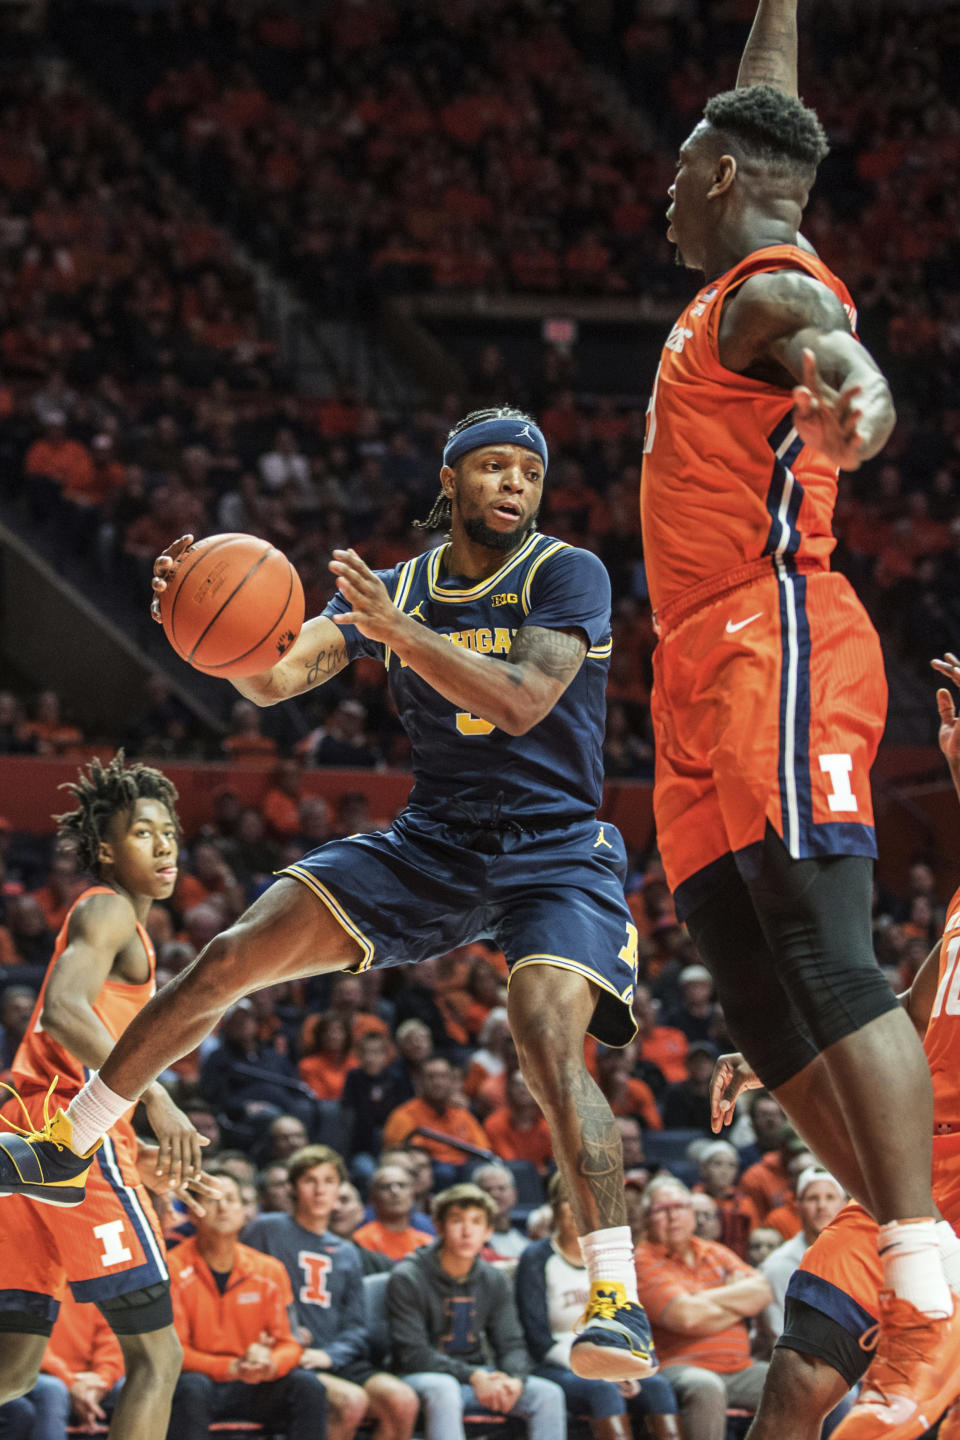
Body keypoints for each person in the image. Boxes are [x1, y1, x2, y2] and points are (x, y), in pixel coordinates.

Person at [4, 405, 657, 1381]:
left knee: (542, 1037)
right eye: (491, 466)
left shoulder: (569, 574)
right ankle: (71, 1139)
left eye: (528, 469)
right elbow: (272, 681)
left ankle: (617, 1302)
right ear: (452, 482)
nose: (513, 483)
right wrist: (199, 621)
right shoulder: (397, 586)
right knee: (228, 958)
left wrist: (400, 633)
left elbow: (523, 699)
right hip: (432, 844)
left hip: (553, 851)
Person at [640, 0, 960, 1429]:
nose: (657, 190)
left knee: (831, 963)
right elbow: (764, 107)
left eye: (674, 170)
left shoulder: (769, 284)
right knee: (754, 996)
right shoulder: (744, 224)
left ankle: (930, 1270)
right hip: (692, 672)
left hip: (775, 630)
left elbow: (837, 352)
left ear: (712, 178)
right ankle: (904, 1253)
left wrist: (857, 408)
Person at [707, 658, 960, 1440]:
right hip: (907, 1169)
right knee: (797, 1372)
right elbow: (913, 1009)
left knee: (895, 1419)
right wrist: (790, 1055)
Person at [0, 755, 213, 1438]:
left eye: (170, 833)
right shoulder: (109, 907)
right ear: (104, 849)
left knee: (12, 1370)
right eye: (144, 832)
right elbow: (63, 1011)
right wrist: (157, 1099)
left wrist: (138, 1144)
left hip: (29, 1130)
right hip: (66, 1139)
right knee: (159, 1357)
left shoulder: (127, 929)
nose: (164, 846)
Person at [244, 1144, 418, 1440]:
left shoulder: (347, 1252)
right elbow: (238, 1292)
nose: (320, 1190)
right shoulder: (265, 1231)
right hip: (286, 1360)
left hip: (332, 1359)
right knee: (350, 1402)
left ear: (340, 1189)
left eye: (329, 1181)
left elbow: (356, 1328)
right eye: (310, 1181)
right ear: (294, 1188)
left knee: (402, 1400)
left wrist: (330, 1355)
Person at [387, 1182, 567, 1440]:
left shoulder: (493, 1279)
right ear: (439, 1227)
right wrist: (474, 1376)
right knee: (444, 1388)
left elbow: (512, 1344)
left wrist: (514, 1379)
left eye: (476, 1222)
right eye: (457, 1221)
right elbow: (412, 1353)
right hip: (420, 1377)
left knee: (547, 1394)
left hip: (478, 1378)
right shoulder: (408, 1276)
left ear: (488, 1231)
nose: (466, 1231)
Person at [516, 1172, 681, 1440]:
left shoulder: (612, 1260)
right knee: (603, 1390)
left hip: (613, 1361)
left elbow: (631, 1324)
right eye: (571, 1200)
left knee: (659, 1387)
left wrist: (625, 1367)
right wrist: (600, 1369)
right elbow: (538, 1340)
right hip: (557, 1364)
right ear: (556, 1208)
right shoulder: (536, 1258)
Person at [166, 1168, 329, 1440]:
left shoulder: (270, 1270)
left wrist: (270, 1363)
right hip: (198, 1384)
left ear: (244, 1212)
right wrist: (230, 1367)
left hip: (252, 1382)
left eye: (231, 1198)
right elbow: (175, 1353)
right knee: (192, 1387)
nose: (223, 1206)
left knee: (308, 1387)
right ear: (193, 1213)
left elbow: (290, 1342)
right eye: (211, 1199)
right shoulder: (171, 1267)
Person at [633, 1176, 772, 1440]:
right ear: (647, 1216)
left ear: (692, 1213)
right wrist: (737, 1304)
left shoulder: (715, 1252)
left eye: (680, 1207)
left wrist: (699, 1298)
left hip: (740, 1367)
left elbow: (762, 1292)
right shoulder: (642, 1260)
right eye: (663, 1210)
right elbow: (685, 1317)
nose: (673, 1216)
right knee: (707, 1387)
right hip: (678, 1367)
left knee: (805, 1384)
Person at [756, 1167, 846, 1345]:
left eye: (830, 1197)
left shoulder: (861, 1257)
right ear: (798, 1206)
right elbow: (782, 1339)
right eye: (813, 1198)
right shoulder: (779, 1265)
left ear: (844, 1205)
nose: (822, 1206)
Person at [353, 1164, 433, 1263]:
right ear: (373, 1196)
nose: (395, 1192)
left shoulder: (426, 1243)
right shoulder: (361, 1241)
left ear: (412, 1192)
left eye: (402, 1185)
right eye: (386, 1187)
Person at [473, 1162, 531, 1260]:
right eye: (487, 1190)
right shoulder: (470, 1241)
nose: (495, 1194)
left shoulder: (527, 1238)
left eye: (501, 1188)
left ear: (514, 1195)